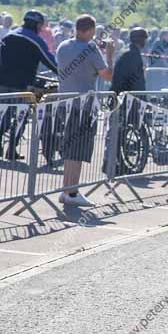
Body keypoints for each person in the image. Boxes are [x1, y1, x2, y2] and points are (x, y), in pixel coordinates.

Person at [55, 14, 115, 207]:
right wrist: (110, 55)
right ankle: (72, 192)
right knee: (78, 150)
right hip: (84, 105)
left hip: (65, 102)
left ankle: (67, 189)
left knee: (69, 149)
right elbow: (107, 76)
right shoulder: (90, 48)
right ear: (89, 30)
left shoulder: (63, 45)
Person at [0, 10, 59, 160]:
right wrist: (64, 73)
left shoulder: (8, 35)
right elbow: (50, 62)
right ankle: (11, 150)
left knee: (4, 113)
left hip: (2, 80)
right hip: (22, 84)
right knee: (21, 116)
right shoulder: (35, 39)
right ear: (37, 25)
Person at [111, 27, 147, 95]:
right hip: (126, 95)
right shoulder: (132, 54)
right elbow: (136, 80)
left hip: (121, 93)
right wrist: (141, 97)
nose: (145, 42)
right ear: (141, 39)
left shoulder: (127, 51)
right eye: (144, 39)